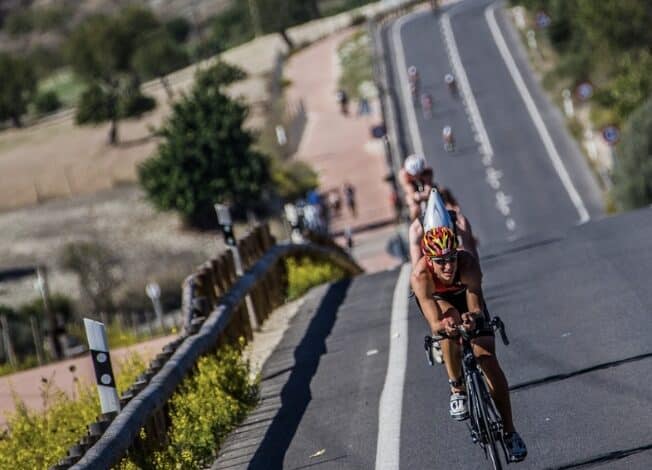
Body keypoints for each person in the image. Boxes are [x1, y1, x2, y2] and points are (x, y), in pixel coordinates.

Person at [411, 225, 527, 463]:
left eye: (451, 258)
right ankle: (457, 389)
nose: (448, 266)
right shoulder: (420, 276)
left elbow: (475, 305)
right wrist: (447, 327)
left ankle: (510, 431)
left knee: (487, 358)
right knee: (448, 325)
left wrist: (473, 318)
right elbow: (434, 322)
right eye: (441, 261)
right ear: (429, 260)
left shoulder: (468, 264)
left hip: (467, 298)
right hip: (440, 302)